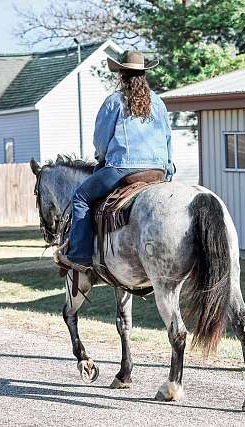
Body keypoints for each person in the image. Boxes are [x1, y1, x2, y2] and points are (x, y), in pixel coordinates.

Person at [58, 50, 174, 272]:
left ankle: (80, 256)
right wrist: (167, 170)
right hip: (157, 171)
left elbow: (101, 140)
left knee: (81, 197)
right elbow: (168, 138)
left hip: (123, 169)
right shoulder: (158, 103)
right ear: (144, 75)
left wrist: (101, 160)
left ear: (121, 75)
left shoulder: (114, 102)